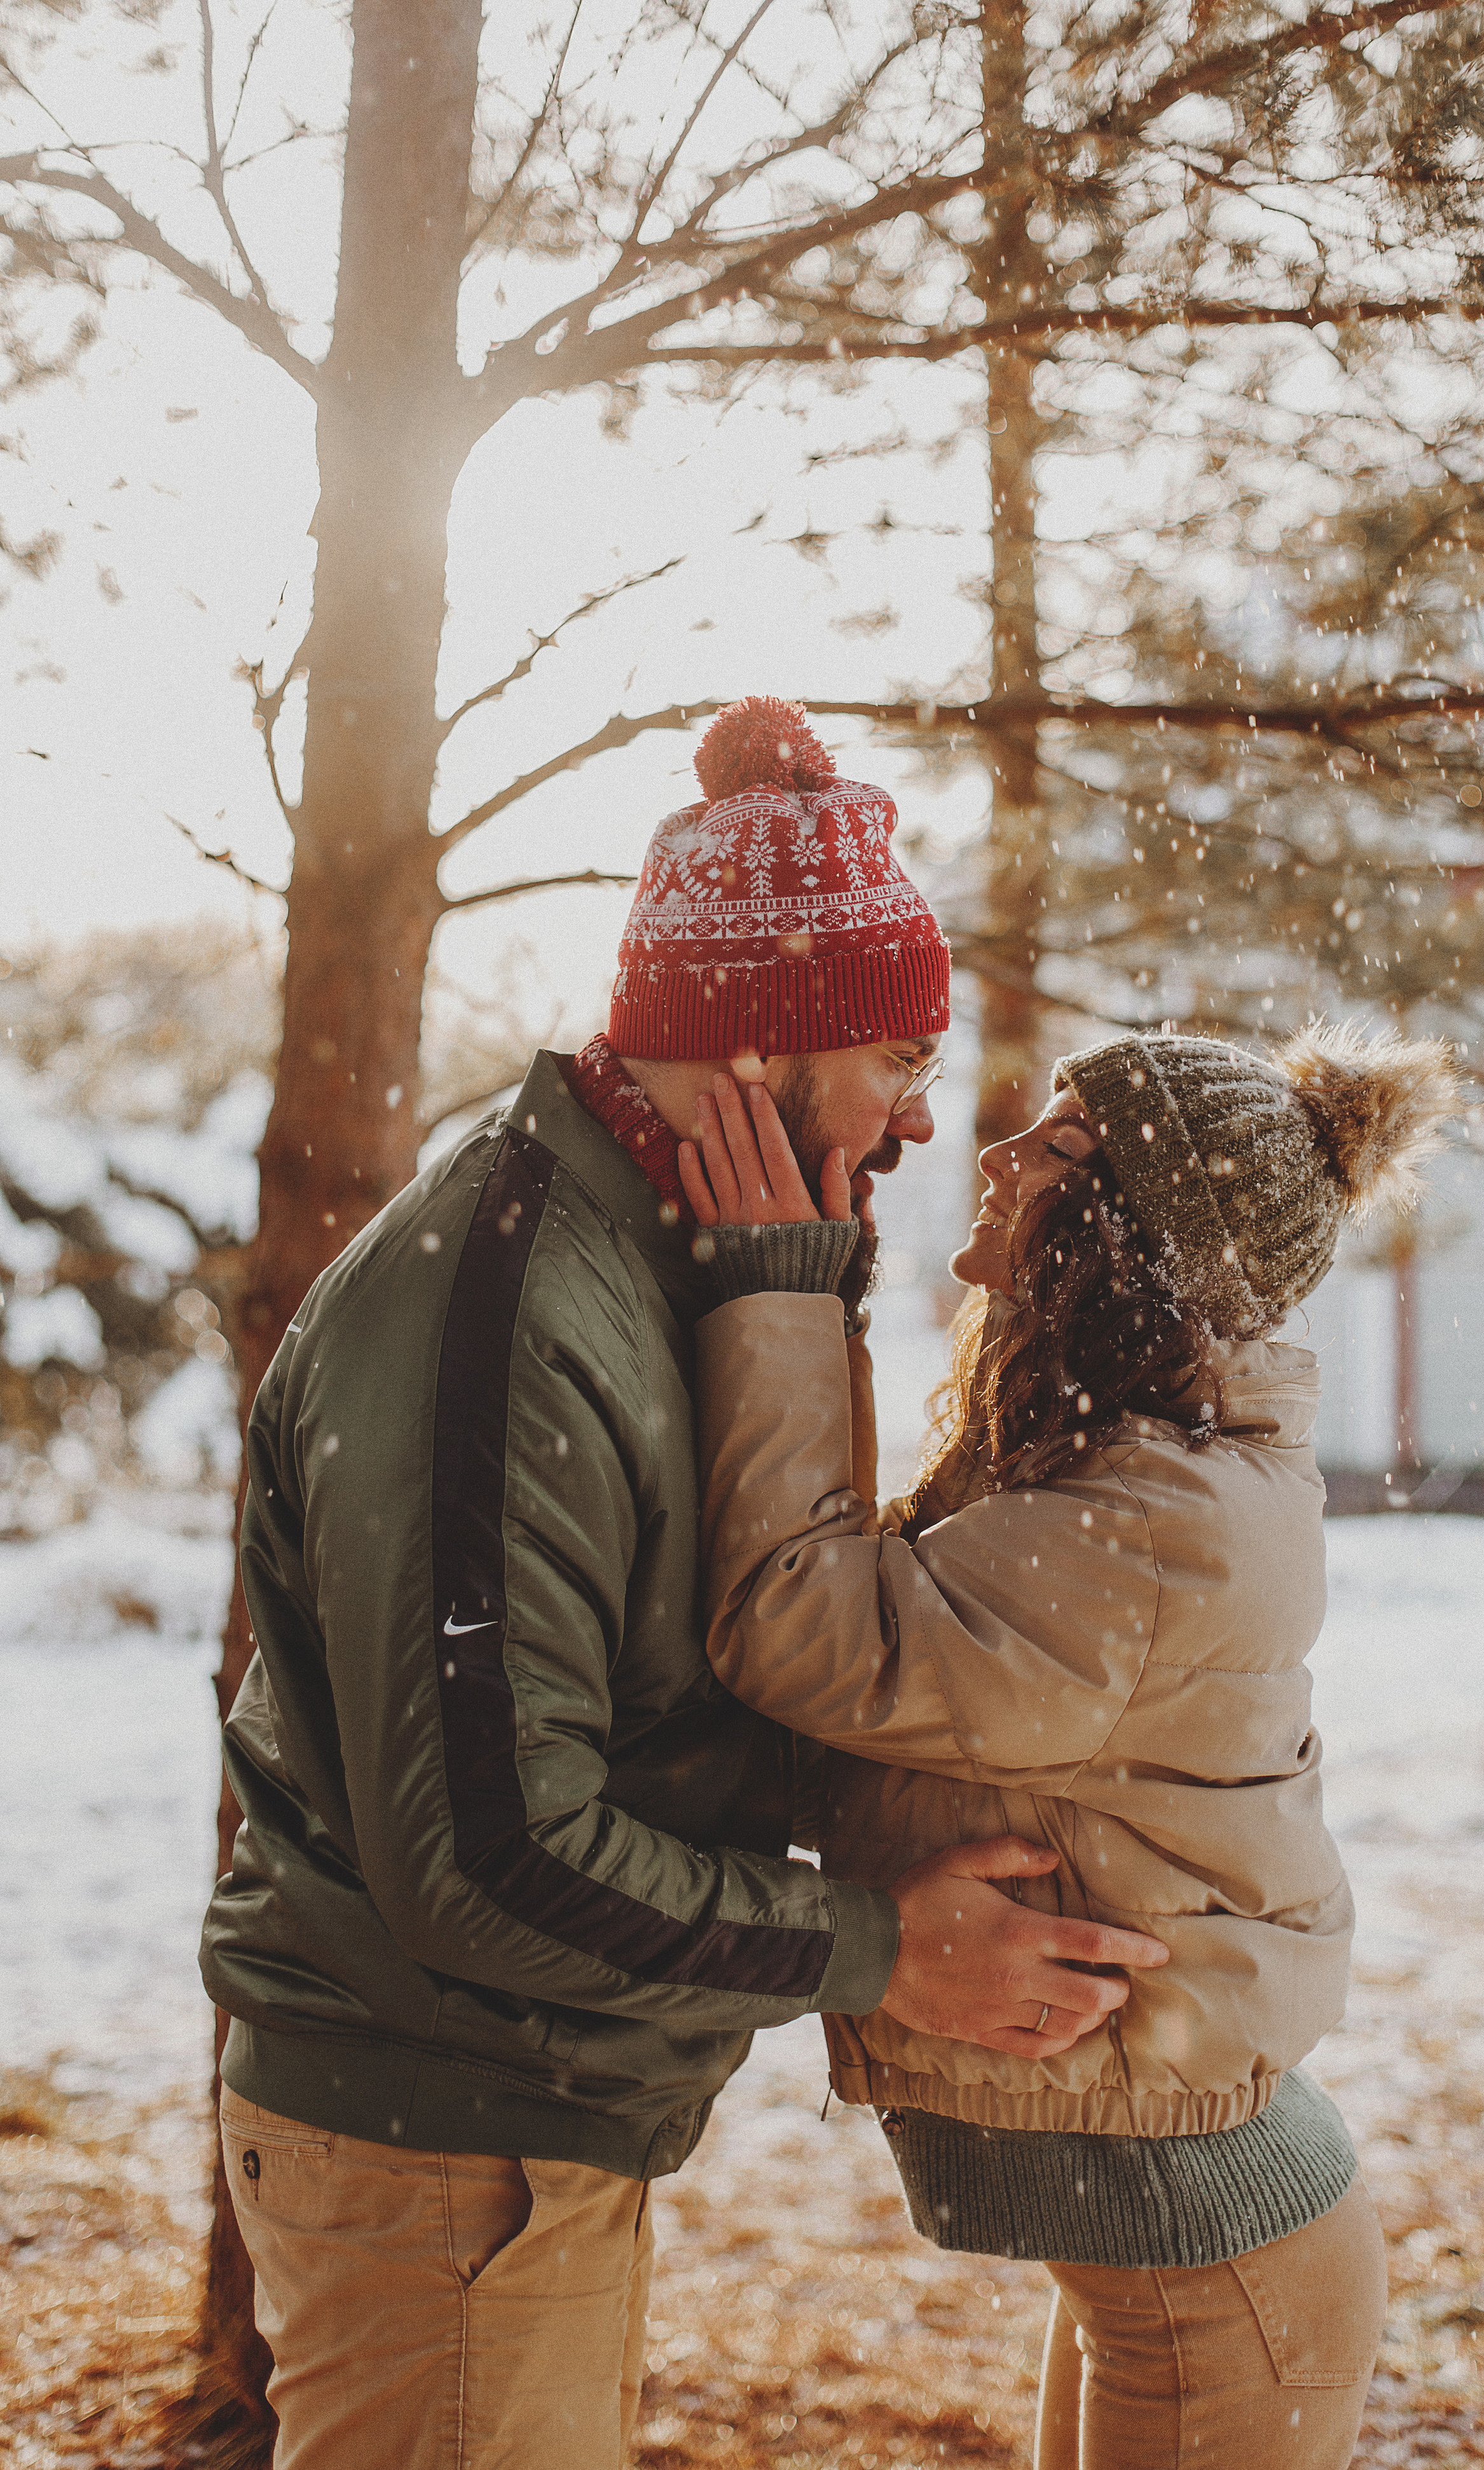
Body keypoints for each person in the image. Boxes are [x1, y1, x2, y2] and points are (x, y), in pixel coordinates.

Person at [198, 696, 1169, 2470]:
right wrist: (883, 1950)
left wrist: (799, 1286)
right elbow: (490, 1855)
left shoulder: (667, 1264)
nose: (914, 1118)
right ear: (753, 1055)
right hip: (444, 2148)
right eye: (890, 1061)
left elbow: (724, 1647)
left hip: (512, 2128)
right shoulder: (503, 1323)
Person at [679, 1019, 1460, 2470]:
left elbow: (800, 1626)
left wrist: (778, 1296)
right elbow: (861, 1624)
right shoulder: (1115, 1463)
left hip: (1220, 2280)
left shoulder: (1141, 1526)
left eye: (1046, 1142)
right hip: (1189, 2257)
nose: (991, 1152)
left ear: (1119, 1232)